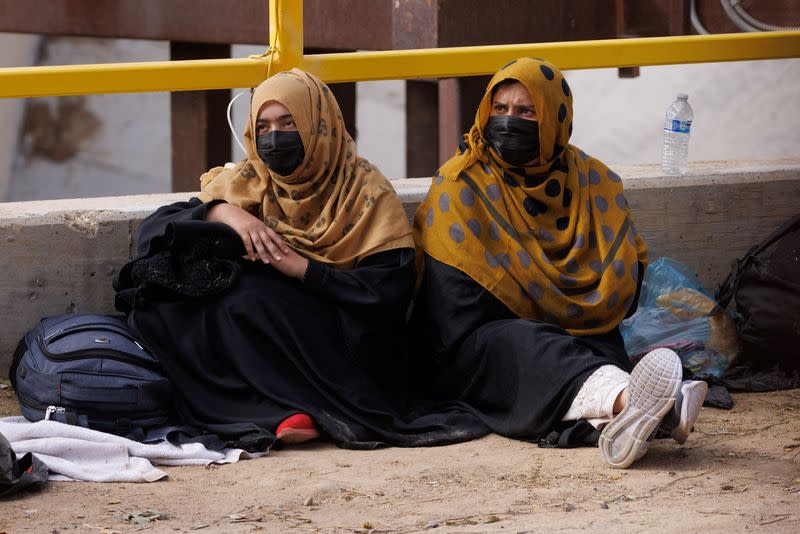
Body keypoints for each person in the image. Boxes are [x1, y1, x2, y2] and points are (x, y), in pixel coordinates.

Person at [114, 68, 487, 450]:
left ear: (318, 124)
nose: (275, 137)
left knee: (246, 299)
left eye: (288, 122)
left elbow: (387, 296)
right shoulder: (248, 181)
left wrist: (304, 270)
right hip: (271, 326)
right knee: (162, 307)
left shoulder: (363, 191)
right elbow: (156, 231)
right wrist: (224, 213)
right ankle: (271, 410)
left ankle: (292, 409)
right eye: (264, 126)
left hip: (345, 340)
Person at [410, 57, 708, 468]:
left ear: (554, 118)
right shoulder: (460, 186)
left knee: (586, 351)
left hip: (581, 336)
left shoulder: (592, 182)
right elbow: (452, 312)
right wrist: (528, 306)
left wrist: (558, 310)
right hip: (484, 350)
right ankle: (640, 401)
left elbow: (626, 285)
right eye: (500, 109)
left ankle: (627, 416)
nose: (509, 121)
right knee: (527, 343)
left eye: (526, 111)